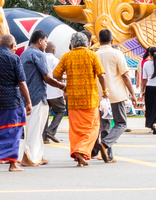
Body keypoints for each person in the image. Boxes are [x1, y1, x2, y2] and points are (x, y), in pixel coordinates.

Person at [52, 32, 109, 167]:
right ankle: (81, 150)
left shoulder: (67, 56)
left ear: (72, 43)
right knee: (93, 128)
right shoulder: (92, 55)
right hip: (90, 99)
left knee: (76, 129)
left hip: (73, 100)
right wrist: (105, 91)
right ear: (87, 43)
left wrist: (65, 87)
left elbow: (56, 74)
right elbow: (101, 75)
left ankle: (79, 155)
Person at [0, 34, 32, 171]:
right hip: (12, 102)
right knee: (14, 132)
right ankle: (12, 163)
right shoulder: (14, 58)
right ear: (12, 46)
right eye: (15, 46)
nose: (15, 49)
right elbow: (21, 83)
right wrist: (28, 101)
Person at [19, 30, 65, 167]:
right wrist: (63, 87)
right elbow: (47, 78)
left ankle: (37, 156)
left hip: (27, 96)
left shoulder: (24, 53)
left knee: (34, 129)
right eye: (45, 41)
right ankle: (28, 157)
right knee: (35, 129)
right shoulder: (38, 54)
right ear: (40, 41)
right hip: (37, 95)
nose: (46, 44)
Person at [94, 30, 136, 161]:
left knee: (105, 125)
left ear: (99, 41)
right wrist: (133, 94)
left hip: (100, 95)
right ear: (112, 41)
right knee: (121, 123)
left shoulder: (95, 54)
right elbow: (125, 75)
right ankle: (105, 144)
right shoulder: (117, 54)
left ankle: (108, 155)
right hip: (116, 95)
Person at [43, 42, 65, 144]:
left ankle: (44, 137)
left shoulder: (41, 59)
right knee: (60, 110)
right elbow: (58, 76)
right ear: (53, 51)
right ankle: (50, 131)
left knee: (45, 114)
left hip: (43, 91)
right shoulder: (55, 60)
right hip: (55, 91)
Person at [140, 46, 156, 134]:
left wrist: (143, 90)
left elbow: (144, 79)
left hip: (149, 88)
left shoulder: (146, 64)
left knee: (150, 107)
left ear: (149, 54)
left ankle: (151, 124)